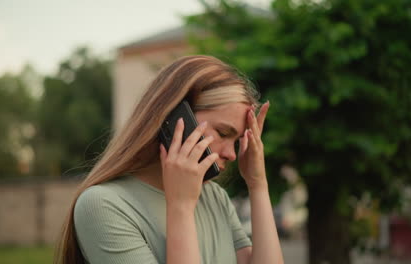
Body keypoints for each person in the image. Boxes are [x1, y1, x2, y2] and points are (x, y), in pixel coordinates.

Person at [55, 55, 284, 264]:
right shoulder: (104, 205)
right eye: (223, 133)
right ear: (176, 117)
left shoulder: (215, 198)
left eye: (236, 141)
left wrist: (258, 185)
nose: (232, 154)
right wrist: (181, 207)